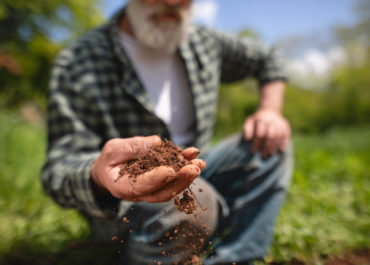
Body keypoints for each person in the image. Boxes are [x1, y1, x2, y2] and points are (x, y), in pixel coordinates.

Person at [42, 0, 293, 264]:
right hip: (122, 203)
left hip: (198, 168)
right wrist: (98, 172)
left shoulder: (203, 41)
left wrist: (270, 110)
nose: (173, 2)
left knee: (271, 144)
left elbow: (269, 58)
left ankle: (233, 258)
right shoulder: (79, 62)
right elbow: (58, 170)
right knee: (190, 201)